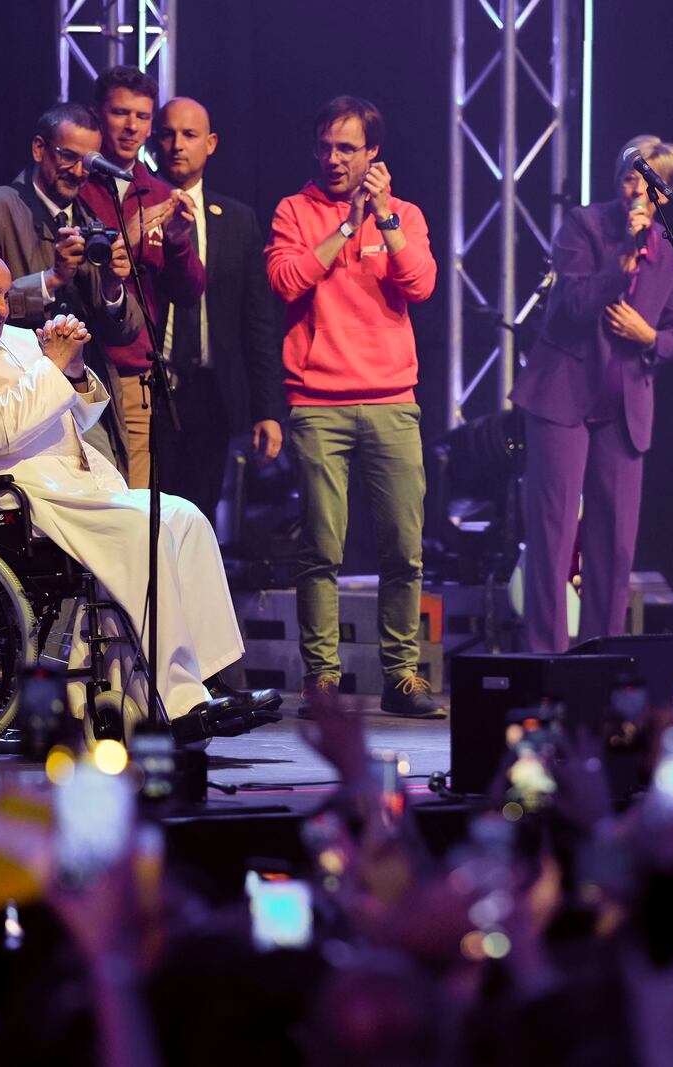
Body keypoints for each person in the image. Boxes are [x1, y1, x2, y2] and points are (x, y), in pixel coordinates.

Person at [0, 244, 279, 743]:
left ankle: (205, 678)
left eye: (4, 295)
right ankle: (179, 705)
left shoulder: (9, 340)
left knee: (183, 516)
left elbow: (77, 412)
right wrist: (53, 368)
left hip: (60, 486)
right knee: (142, 529)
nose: (2, 308)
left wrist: (70, 367)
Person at [265, 95, 440, 717]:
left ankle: (402, 677)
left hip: (393, 399)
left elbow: (420, 283)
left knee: (404, 547)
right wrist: (345, 225)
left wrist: (383, 217)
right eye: (326, 146)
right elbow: (286, 281)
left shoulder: (405, 215)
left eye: (348, 148)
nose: (334, 158)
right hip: (318, 404)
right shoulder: (295, 210)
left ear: (373, 155)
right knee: (320, 549)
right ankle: (323, 681)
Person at [509, 136, 673, 653]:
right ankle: (546, 655)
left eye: (647, 180)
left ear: (666, 191)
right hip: (562, 397)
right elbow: (573, 305)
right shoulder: (584, 228)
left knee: (614, 543)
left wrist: (650, 337)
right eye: (628, 177)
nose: (635, 188)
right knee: (554, 533)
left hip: (625, 406)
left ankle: (599, 656)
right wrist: (623, 261)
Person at [0, 101, 142, 472]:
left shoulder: (93, 224)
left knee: (106, 501)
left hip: (82, 395)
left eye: (87, 162)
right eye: (67, 156)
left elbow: (127, 332)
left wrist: (113, 287)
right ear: (39, 149)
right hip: (13, 396)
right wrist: (51, 279)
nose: (77, 171)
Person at [152, 96, 286, 522]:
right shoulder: (134, 207)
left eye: (189, 135)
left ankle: (191, 592)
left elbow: (258, 323)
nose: (177, 144)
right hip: (149, 387)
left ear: (210, 143)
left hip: (211, 394)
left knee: (198, 519)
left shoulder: (238, 219)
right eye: (169, 133)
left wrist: (267, 410)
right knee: (147, 520)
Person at [78, 65, 204, 489]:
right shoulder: (74, 187)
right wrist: (129, 237)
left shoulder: (160, 194)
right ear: (97, 114)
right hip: (74, 369)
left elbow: (188, 292)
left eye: (143, 116)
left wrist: (181, 242)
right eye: (120, 113)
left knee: (132, 503)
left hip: (133, 375)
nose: (132, 126)